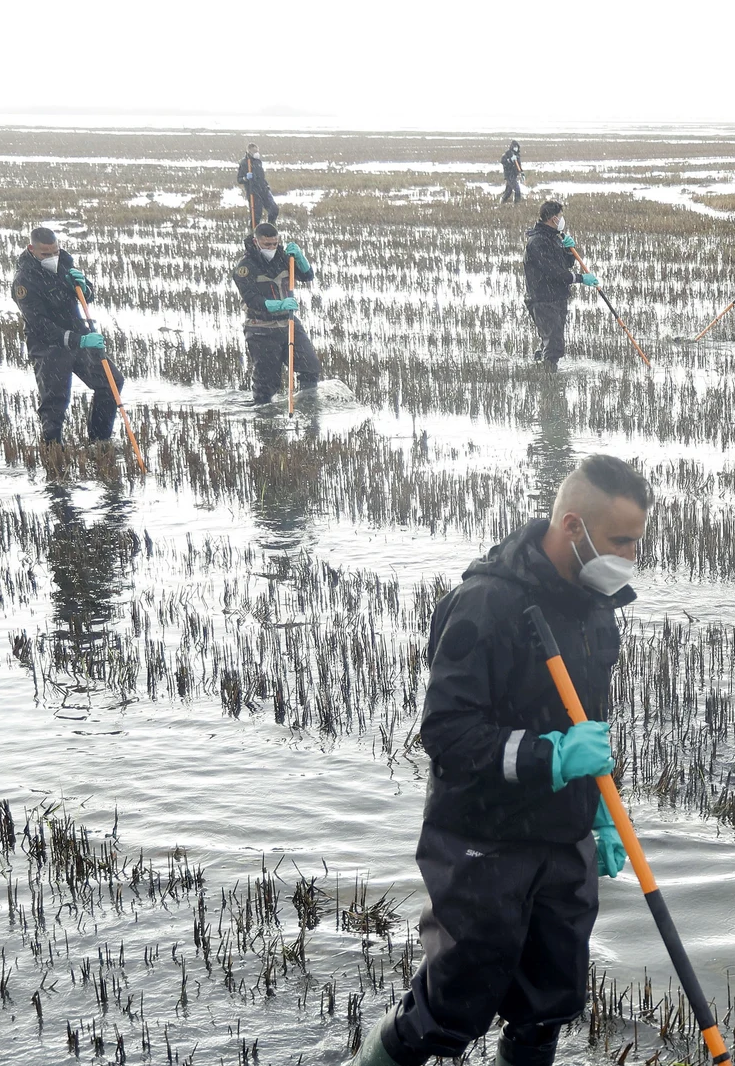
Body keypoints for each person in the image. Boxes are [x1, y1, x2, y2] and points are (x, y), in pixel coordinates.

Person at [345, 455, 645, 1066]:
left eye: (638, 543)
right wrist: (552, 757)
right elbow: (448, 733)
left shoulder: (597, 606)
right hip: (484, 838)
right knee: (450, 1010)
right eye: (621, 542)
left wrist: (603, 805)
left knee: (549, 1006)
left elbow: (591, 722)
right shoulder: (485, 604)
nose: (630, 558)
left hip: (563, 837)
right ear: (571, 527)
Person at [10, 227, 120, 445]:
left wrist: (84, 288)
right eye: (46, 254)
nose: (52, 258)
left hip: (78, 334)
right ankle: (53, 452)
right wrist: (79, 340)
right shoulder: (24, 281)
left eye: (55, 252)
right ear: (32, 249)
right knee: (55, 401)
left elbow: (85, 294)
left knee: (111, 382)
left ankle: (100, 440)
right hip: (47, 346)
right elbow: (41, 326)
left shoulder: (65, 262)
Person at [231, 222, 320, 404]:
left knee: (310, 367)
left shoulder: (284, 257)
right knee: (267, 383)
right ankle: (263, 416)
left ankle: (308, 407)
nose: (272, 248)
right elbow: (252, 299)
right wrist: (278, 305)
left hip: (288, 323)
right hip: (260, 328)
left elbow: (307, 276)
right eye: (267, 245)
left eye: (275, 243)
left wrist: (301, 259)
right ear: (256, 242)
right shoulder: (245, 267)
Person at [523, 201, 599, 367]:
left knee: (550, 340)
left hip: (557, 297)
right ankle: (549, 381)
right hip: (543, 299)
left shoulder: (554, 238)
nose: (562, 219)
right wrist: (580, 278)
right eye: (560, 216)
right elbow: (554, 272)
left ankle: (539, 370)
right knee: (554, 345)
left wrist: (568, 251)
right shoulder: (537, 242)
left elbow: (564, 265)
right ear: (553, 219)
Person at [238, 143, 278, 226]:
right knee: (256, 215)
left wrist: (266, 185)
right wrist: (246, 178)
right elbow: (239, 179)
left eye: (257, 151)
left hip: (264, 189)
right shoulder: (244, 163)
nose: (257, 153)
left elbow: (261, 176)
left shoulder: (258, 161)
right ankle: (254, 232)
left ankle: (271, 226)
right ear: (249, 152)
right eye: (255, 151)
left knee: (274, 209)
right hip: (253, 192)